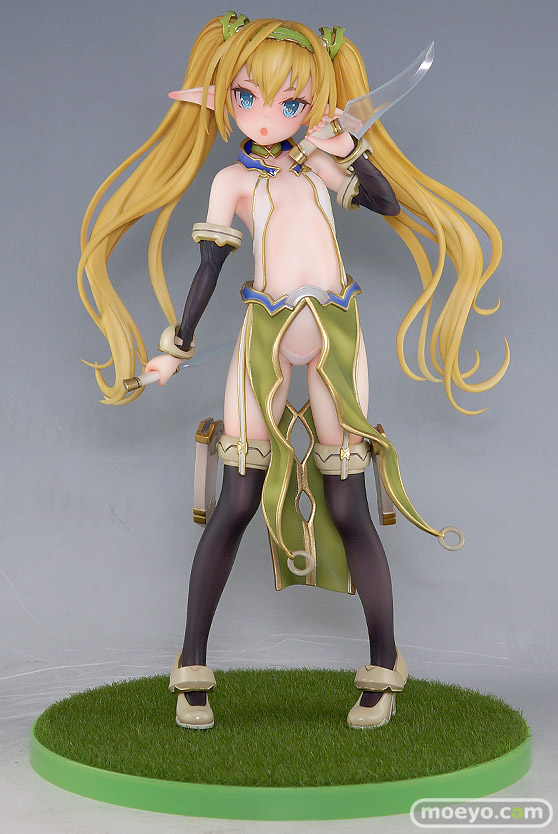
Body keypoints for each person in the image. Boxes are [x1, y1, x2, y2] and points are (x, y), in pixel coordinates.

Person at [78, 14, 508, 729]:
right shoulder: (231, 181)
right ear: (220, 96)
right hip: (263, 337)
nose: (266, 115)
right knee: (237, 497)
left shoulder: (320, 167)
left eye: (291, 102)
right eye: (246, 97)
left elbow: (388, 205)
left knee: (347, 501)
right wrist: (176, 346)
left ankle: (384, 663)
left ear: (315, 103)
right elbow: (210, 265)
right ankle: (191, 664)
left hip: (335, 335)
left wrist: (351, 150)